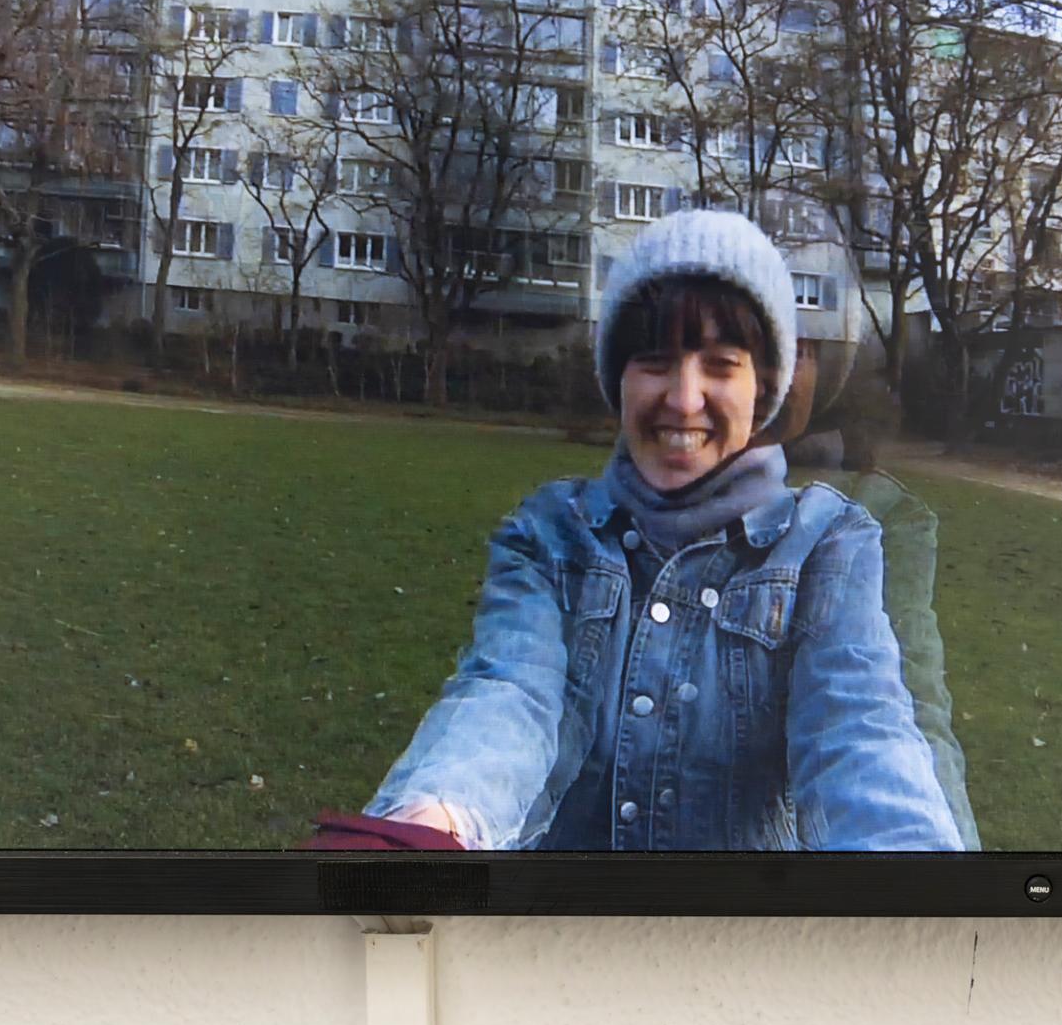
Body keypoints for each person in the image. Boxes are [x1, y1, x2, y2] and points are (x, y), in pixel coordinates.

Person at [363, 209, 964, 852]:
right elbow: (508, 691)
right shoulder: (551, 534)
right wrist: (436, 816)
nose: (683, 399)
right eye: (655, 361)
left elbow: (859, 731)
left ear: (763, 389)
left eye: (720, 364)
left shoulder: (827, 545)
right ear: (618, 379)